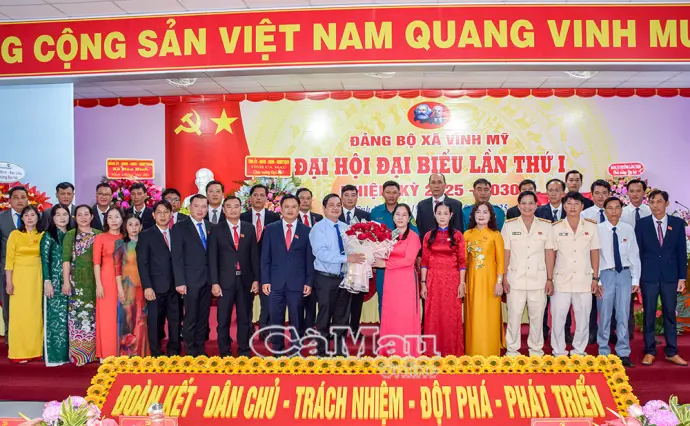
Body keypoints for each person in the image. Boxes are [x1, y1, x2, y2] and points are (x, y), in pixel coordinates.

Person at [636, 190, 688, 367]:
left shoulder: (677, 223)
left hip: (670, 277)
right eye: (652, 202)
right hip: (648, 277)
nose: (655, 205)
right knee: (648, 314)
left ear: (667, 203)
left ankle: (672, 351)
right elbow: (637, 253)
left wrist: (682, 277)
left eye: (659, 201)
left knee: (670, 314)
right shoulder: (642, 224)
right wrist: (637, 278)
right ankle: (649, 351)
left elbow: (681, 252)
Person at [501, 191, 555, 357]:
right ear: (518, 206)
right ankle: (512, 350)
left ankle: (536, 350)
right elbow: (505, 253)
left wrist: (550, 279)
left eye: (531, 203)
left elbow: (549, 253)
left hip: (538, 280)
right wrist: (504, 278)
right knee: (514, 317)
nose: (527, 206)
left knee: (537, 318)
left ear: (536, 205)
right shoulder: (509, 226)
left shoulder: (546, 226)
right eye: (523, 203)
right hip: (515, 280)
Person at [309, 194, 363, 356]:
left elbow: (353, 250)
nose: (335, 208)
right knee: (324, 316)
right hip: (325, 278)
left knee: (342, 316)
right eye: (331, 205)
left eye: (338, 205)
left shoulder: (346, 228)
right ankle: (322, 351)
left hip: (345, 278)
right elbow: (321, 254)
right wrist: (347, 258)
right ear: (324, 208)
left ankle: (340, 351)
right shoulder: (318, 228)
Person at [262, 195, 314, 354]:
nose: (290, 210)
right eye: (287, 207)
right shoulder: (270, 229)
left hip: (297, 283)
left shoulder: (307, 231)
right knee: (275, 318)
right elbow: (265, 258)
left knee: (296, 319)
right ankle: (277, 350)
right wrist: (265, 280)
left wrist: (309, 282)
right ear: (281, 209)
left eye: (294, 207)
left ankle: (295, 351)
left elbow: (310, 259)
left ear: (298, 209)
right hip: (275, 282)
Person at [550, 192, 601, 357]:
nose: (572, 207)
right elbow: (551, 255)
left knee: (583, 318)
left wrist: (595, 278)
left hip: (584, 280)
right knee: (558, 318)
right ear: (564, 206)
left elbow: (595, 253)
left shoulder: (591, 227)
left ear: (582, 206)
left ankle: (579, 350)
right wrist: (549, 278)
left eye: (576, 203)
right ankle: (559, 351)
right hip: (561, 280)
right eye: (569, 203)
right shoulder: (555, 227)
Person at [209, 196, 260, 357]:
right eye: (229, 206)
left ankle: (244, 350)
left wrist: (256, 279)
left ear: (241, 208)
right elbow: (212, 258)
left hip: (245, 281)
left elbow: (254, 256)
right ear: (224, 210)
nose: (233, 209)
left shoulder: (249, 228)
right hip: (224, 282)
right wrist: (214, 282)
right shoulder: (216, 229)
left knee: (245, 318)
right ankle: (225, 351)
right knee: (223, 319)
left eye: (236, 206)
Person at [597, 197, 639, 368]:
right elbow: (593, 257)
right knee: (604, 314)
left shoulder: (628, 229)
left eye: (617, 208)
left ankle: (623, 351)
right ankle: (603, 350)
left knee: (623, 314)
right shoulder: (597, 229)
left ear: (621, 210)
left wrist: (635, 278)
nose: (613, 211)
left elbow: (634, 255)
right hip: (605, 275)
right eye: (610, 208)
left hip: (624, 275)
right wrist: (597, 280)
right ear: (605, 210)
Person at [420, 201, 466, 356]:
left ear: (451, 215)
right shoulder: (428, 235)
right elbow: (424, 261)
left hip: (452, 281)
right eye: (439, 213)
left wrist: (462, 283)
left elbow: (462, 261)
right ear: (434, 215)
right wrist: (423, 283)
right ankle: (432, 351)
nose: (442, 216)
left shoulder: (458, 235)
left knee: (451, 316)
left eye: (446, 213)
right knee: (433, 315)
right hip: (433, 281)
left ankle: (451, 351)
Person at [136, 201, 180, 357]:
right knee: (155, 322)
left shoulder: (176, 234)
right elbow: (142, 263)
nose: (163, 215)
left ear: (171, 214)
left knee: (175, 320)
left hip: (175, 286)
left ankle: (174, 351)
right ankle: (155, 353)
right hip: (155, 287)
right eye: (159, 212)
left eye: (166, 212)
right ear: (153, 215)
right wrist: (147, 286)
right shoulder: (145, 235)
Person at [370, 181, 418, 317]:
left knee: (402, 300)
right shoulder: (375, 212)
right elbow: (370, 238)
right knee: (383, 298)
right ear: (382, 194)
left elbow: (415, 235)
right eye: (388, 192)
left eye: (394, 192)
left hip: (402, 264)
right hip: (382, 265)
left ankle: (402, 327)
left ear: (399, 194)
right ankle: (385, 327)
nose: (391, 195)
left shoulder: (405, 212)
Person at [172, 195, 212, 356]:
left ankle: (200, 349)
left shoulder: (211, 226)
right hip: (189, 281)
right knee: (190, 317)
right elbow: (176, 257)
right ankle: (190, 350)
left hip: (208, 280)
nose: (200, 209)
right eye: (197, 206)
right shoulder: (179, 227)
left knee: (203, 317)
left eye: (204, 206)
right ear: (189, 208)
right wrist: (180, 281)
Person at [464, 202, 505, 356]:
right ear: (473, 215)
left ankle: (490, 351)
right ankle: (472, 351)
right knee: (474, 316)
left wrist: (499, 282)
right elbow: (463, 262)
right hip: (472, 282)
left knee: (489, 316)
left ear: (491, 216)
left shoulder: (496, 235)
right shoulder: (467, 235)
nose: (481, 215)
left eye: (485, 212)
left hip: (491, 283)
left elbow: (500, 261)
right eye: (478, 212)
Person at [62, 204, 100, 366]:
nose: (83, 218)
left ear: (92, 216)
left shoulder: (99, 234)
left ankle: (95, 353)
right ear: (75, 217)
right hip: (76, 283)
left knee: (94, 318)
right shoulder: (70, 235)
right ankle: (79, 356)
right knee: (77, 318)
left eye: (86, 214)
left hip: (95, 282)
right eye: (79, 215)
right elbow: (66, 260)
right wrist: (66, 281)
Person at [4, 205, 44, 363]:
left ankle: (36, 350)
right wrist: (9, 281)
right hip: (19, 278)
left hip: (36, 278)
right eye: (26, 215)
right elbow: (9, 260)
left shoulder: (42, 235)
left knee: (35, 314)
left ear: (38, 217)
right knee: (19, 314)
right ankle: (19, 352)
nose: (29, 218)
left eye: (32, 215)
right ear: (22, 218)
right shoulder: (15, 235)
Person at [240, 184, 280, 338]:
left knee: (267, 300)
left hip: (267, 266)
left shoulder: (274, 218)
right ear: (250, 198)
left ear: (267, 198)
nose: (258, 198)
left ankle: (265, 329)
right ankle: (248, 330)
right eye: (255, 195)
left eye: (262, 195)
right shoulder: (242, 217)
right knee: (245, 301)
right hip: (246, 266)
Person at [536, 178, 573, 343]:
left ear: (563, 193)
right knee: (542, 300)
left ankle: (565, 331)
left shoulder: (570, 210)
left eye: (557, 190)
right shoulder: (539, 212)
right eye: (550, 190)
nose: (553, 193)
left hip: (565, 262)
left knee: (564, 300)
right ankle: (542, 332)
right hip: (543, 262)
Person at [581, 179, 616, 345]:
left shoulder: (616, 213)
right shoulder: (584, 215)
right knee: (591, 302)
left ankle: (611, 331)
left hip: (610, 264)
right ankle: (591, 331)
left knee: (611, 301)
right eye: (597, 193)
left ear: (609, 194)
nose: (601, 197)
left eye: (604, 193)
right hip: (590, 263)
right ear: (592, 195)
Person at [40, 204, 73, 366]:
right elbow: (44, 260)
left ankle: (71, 355)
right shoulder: (49, 236)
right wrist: (47, 281)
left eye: (64, 214)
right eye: (58, 215)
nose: (62, 217)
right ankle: (55, 356)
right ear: (52, 218)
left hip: (73, 281)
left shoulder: (73, 234)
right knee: (56, 319)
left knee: (70, 319)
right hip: (54, 282)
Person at [338, 184, 371, 338]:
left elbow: (371, 240)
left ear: (357, 197)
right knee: (341, 299)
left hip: (359, 265)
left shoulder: (365, 215)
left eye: (353, 195)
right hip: (340, 264)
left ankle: (355, 329)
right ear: (341, 197)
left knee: (357, 299)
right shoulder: (335, 213)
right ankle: (340, 329)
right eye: (346, 195)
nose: (350, 198)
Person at [621, 178, 651, 340]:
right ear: (627, 193)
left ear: (644, 193)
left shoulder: (651, 211)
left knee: (650, 299)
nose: (635, 194)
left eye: (638, 191)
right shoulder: (621, 213)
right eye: (631, 191)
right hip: (628, 262)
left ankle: (649, 333)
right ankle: (628, 332)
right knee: (627, 300)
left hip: (648, 261)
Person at [115, 214, 149, 357]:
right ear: (125, 227)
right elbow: (117, 269)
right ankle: (126, 355)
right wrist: (120, 290)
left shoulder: (146, 243)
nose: (134, 228)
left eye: (136, 224)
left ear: (141, 227)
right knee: (127, 320)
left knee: (142, 320)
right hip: (126, 287)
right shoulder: (121, 245)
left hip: (143, 287)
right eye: (130, 224)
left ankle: (141, 353)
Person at [93, 207, 124, 360]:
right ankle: (106, 353)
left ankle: (123, 351)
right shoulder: (101, 237)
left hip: (124, 280)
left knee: (122, 316)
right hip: (105, 280)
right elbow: (96, 263)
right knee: (107, 317)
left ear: (122, 219)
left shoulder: (126, 237)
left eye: (117, 216)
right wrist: (98, 284)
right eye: (110, 217)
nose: (113, 220)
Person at [0, 186, 29, 340]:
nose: (20, 201)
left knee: (28, 303)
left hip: (29, 270)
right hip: (5, 269)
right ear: (9, 200)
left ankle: (27, 335)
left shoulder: (34, 217)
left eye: (23, 197)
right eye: (16, 197)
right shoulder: (1, 218)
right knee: (8, 303)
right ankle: (10, 336)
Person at [296, 187, 322, 338]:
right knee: (298, 301)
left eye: (308, 198)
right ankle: (298, 330)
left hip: (316, 265)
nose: (305, 201)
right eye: (302, 198)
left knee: (312, 300)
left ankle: (310, 329)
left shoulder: (318, 218)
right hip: (298, 267)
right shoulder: (291, 218)